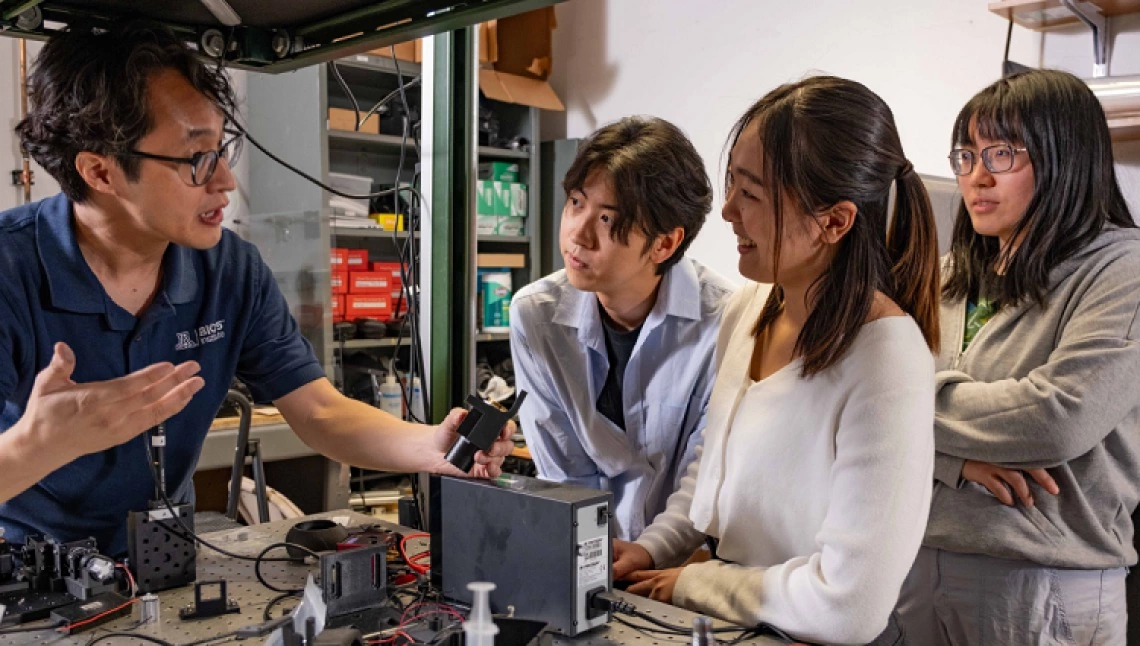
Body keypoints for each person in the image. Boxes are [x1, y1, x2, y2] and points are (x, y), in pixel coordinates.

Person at [0, 23, 512, 557]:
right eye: (196, 159)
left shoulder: (230, 268)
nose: (224, 181)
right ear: (100, 172)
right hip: (28, 573)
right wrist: (41, 444)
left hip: (167, 560)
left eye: (223, 149)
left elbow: (319, 411)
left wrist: (429, 444)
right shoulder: (10, 270)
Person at [611, 76, 941, 645]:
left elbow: (849, 604)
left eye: (753, 195)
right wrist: (649, 548)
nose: (729, 212)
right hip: (734, 622)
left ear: (834, 222)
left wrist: (695, 583)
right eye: (732, 184)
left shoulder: (886, 357)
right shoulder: (751, 307)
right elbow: (712, 478)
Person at [895, 69, 1140, 645]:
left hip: (1041, 580)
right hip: (912, 561)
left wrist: (907, 407)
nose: (975, 177)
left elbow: (1058, 416)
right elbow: (858, 404)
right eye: (966, 155)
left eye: (1001, 154)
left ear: (1065, 156)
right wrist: (954, 462)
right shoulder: (953, 272)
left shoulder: (1122, 269)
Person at [509, 116, 733, 540]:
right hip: (586, 552)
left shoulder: (726, 322)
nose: (579, 234)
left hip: (685, 562)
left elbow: (708, 476)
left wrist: (651, 554)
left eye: (608, 220)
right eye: (576, 203)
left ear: (664, 243)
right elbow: (564, 472)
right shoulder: (535, 316)